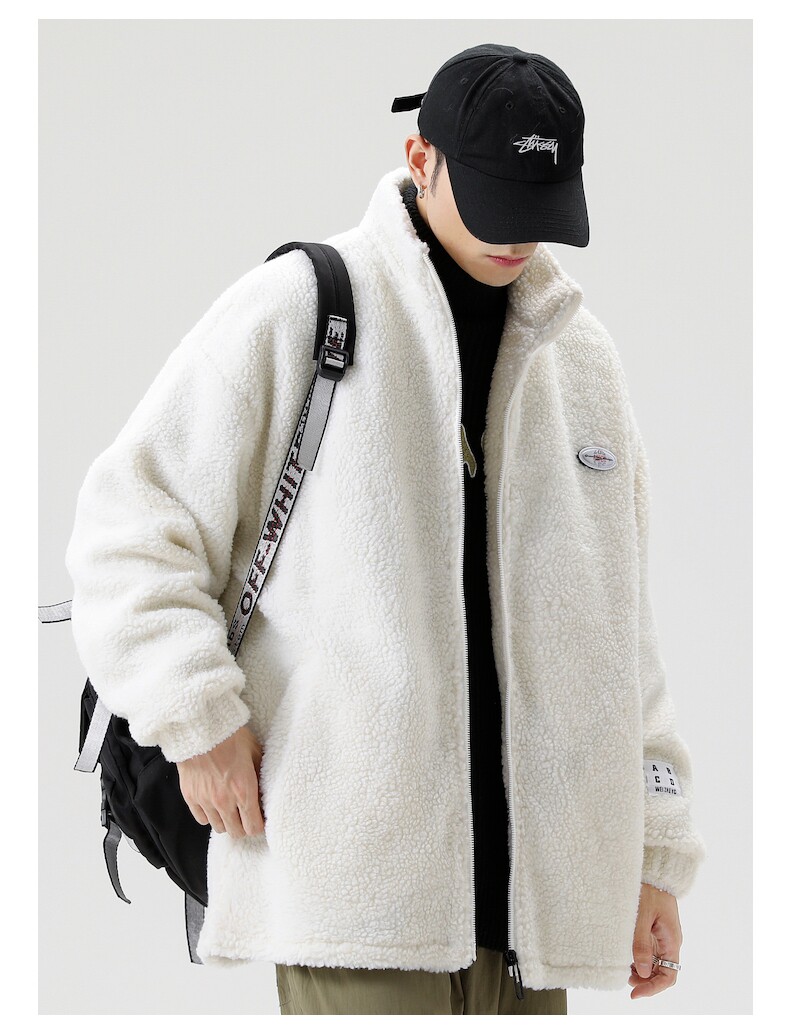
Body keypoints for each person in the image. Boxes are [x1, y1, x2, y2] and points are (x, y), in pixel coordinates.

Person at [64, 43, 706, 1015]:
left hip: (535, 921)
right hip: (356, 899)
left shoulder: (579, 359)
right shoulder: (303, 308)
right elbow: (129, 527)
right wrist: (197, 719)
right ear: (421, 160)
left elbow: (620, 637)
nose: (518, 236)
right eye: (494, 199)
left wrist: (652, 851)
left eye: (539, 207)